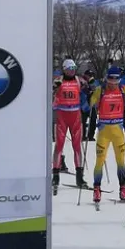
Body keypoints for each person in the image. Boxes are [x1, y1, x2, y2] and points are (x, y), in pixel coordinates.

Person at [89, 67, 125, 204]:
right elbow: (91, 103)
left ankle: (123, 189)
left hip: (118, 131)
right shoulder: (101, 90)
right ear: (106, 78)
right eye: (111, 79)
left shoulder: (124, 90)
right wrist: (91, 101)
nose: (113, 82)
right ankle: (97, 189)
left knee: (121, 161)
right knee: (100, 160)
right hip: (104, 131)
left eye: (116, 79)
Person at [52, 59, 89, 191]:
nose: (71, 71)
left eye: (73, 68)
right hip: (62, 115)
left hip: (75, 116)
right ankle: (55, 175)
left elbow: (87, 91)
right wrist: (54, 88)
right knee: (59, 145)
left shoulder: (79, 80)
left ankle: (79, 176)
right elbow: (50, 94)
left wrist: (90, 90)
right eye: (69, 69)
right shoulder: (58, 80)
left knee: (77, 146)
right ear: (64, 69)